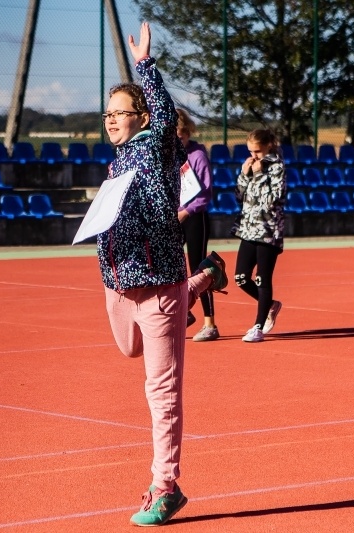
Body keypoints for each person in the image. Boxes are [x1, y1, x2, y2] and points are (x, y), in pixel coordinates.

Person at [94, 22, 227, 527]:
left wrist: (146, 65)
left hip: (159, 282)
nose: (110, 120)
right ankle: (206, 279)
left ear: (143, 118)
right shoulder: (115, 163)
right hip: (118, 281)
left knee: (161, 389)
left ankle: (165, 486)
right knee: (130, 350)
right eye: (106, 114)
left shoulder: (155, 147)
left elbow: (166, 112)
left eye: (120, 113)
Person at [232, 129, 287, 342]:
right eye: (250, 151)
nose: (254, 155)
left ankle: (258, 326)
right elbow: (239, 196)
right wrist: (245, 175)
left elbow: (272, 200)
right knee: (241, 278)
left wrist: (258, 174)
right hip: (248, 228)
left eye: (258, 151)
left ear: (268, 147)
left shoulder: (277, 167)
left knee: (262, 278)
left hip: (268, 230)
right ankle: (271, 304)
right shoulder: (252, 164)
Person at [176, 108, 219, 342]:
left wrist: (186, 211)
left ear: (188, 133)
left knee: (199, 269)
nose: (178, 140)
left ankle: (210, 323)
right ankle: (185, 313)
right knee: (170, 265)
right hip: (173, 217)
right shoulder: (167, 157)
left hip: (194, 217)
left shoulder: (197, 156)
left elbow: (205, 193)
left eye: (181, 136)